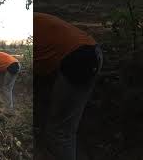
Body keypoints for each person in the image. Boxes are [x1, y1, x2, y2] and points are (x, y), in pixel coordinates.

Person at [34, 12, 103, 160]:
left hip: (79, 58)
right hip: (89, 49)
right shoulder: (35, 20)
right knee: (58, 125)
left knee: (60, 131)